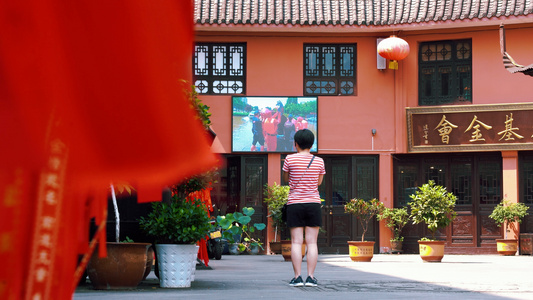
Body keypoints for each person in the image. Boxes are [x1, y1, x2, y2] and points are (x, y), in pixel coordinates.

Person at [282, 129, 325, 287]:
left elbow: (286, 178)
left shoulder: (289, 159)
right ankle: (311, 278)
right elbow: (319, 183)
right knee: (312, 242)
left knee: (296, 242)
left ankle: (297, 277)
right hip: (313, 203)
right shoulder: (319, 161)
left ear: (296, 144)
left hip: (295, 203)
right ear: (312, 144)